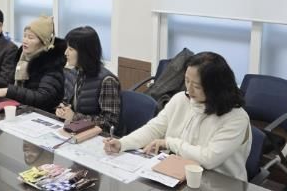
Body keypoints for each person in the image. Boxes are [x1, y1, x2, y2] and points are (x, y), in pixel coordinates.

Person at [103, 52, 252, 182]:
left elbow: (209, 159)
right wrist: (122, 143)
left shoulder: (236, 118)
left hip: (221, 185)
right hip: (179, 173)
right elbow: (154, 129)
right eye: (187, 81)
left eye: (197, 86)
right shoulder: (181, 99)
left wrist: (169, 143)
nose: (189, 89)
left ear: (216, 88)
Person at [0, 16, 66, 113]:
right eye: (24, 36)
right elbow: (12, 85)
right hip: (24, 109)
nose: (25, 40)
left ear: (43, 42)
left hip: (43, 114)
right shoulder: (23, 58)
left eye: (30, 38)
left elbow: (43, 98)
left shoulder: (51, 64)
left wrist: (9, 91)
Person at [55, 26, 120, 132]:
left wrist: (74, 117)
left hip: (95, 136)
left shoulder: (107, 81)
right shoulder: (73, 72)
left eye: (71, 49)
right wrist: (61, 109)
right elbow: (66, 102)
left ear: (84, 53)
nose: (65, 53)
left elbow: (109, 123)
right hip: (74, 130)